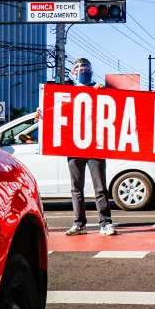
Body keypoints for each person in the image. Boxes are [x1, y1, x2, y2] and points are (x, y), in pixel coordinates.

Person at [65, 58, 116, 236]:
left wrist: (104, 93)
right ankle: (79, 223)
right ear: (72, 72)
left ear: (92, 71)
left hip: (95, 145)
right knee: (76, 189)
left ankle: (105, 222)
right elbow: (54, 110)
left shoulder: (99, 89)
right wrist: (41, 113)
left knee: (100, 187)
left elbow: (115, 106)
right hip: (73, 146)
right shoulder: (65, 91)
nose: (82, 71)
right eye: (78, 68)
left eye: (86, 68)